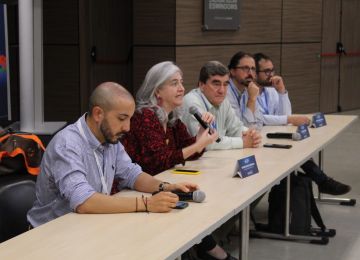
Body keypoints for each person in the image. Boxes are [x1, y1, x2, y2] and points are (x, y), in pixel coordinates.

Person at [27, 82, 199, 228]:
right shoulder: (67, 144)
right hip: (52, 234)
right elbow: (83, 202)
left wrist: (165, 187)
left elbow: (132, 174)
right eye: (122, 118)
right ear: (98, 114)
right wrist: (146, 204)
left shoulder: (110, 138)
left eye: (130, 119)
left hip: (89, 226)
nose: (128, 128)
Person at [119, 62, 235, 260]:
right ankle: (213, 253)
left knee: (195, 196)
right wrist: (198, 145)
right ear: (157, 91)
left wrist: (200, 136)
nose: (181, 88)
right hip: (134, 189)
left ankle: (209, 251)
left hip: (160, 183)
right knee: (186, 201)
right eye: (174, 83)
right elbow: (157, 162)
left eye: (181, 82)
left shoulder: (172, 117)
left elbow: (190, 151)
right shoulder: (144, 117)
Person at [228, 51, 351, 195]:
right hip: (244, 142)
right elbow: (250, 125)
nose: (271, 75)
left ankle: (316, 184)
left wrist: (281, 91)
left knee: (295, 150)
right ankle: (320, 182)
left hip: (257, 136)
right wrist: (254, 102)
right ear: (232, 71)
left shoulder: (261, 90)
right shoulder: (243, 93)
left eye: (253, 69)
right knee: (291, 153)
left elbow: (267, 119)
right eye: (266, 71)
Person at [182, 60, 262, 150]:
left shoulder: (223, 101)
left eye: (225, 84)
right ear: (201, 85)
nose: (222, 91)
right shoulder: (192, 103)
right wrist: (242, 142)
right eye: (216, 84)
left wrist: (251, 134)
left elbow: (235, 128)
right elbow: (205, 143)